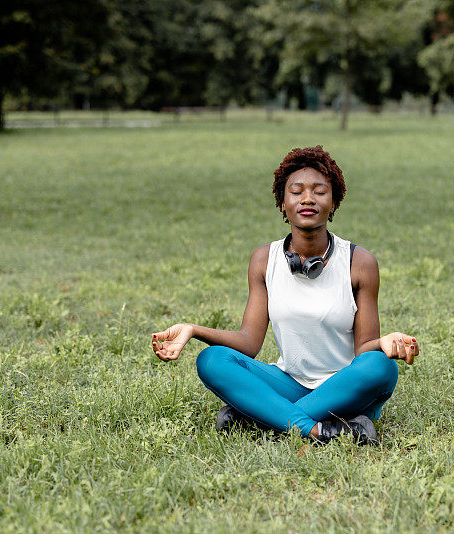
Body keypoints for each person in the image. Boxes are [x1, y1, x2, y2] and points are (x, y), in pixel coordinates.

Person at [151, 146, 420, 445]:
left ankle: (260, 420)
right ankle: (321, 431)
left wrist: (384, 343)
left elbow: (364, 351)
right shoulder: (264, 259)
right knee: (212, 360)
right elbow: (249, 343)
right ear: (282, 202)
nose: (307, 198)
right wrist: (193, 329)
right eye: (297, 191)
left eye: (319, 191)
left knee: (380, 366)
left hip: (343, 387)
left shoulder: (360, 262)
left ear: (334, 202)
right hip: (289, 383)